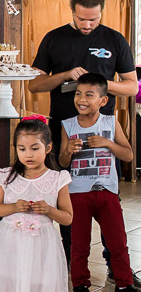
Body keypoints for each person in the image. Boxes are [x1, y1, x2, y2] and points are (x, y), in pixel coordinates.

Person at [28, 0, 137, 272]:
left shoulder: (115, 40)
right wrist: (64, 75)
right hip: (62, 129)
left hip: (103, 129)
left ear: (102, 12)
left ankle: (117, 266)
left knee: (108, 199)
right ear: (71, 11)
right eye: (81, 19)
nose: (87, 24)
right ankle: (65, 264)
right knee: (66, 197)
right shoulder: (54, 38)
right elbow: (35, 85)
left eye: (94, 19)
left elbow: (130, 86)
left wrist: (99, 84)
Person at [60, 73, 137, 292]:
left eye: (89, 95)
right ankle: (80, 284)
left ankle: (125, 284)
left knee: (118, 243)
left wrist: (107, 143)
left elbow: (128, 155)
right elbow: (63, 161)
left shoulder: (110, 122)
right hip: (78, 193)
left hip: (107, 192)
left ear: (103, 100)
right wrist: (68, 151)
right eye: (78, 94)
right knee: (79, 245)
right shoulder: (68, 125)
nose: (81, 99)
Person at [0, 115, 73, 292]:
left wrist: (48, 210)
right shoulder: (6, 176)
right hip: (10, 243)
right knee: (10, 281)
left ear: (48, 148)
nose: (28, 154)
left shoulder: (57, 179)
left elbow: (67, 218)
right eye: (22, 149)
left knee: (38, 283)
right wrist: (14, 207)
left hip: (42, 245)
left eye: (34, 148)